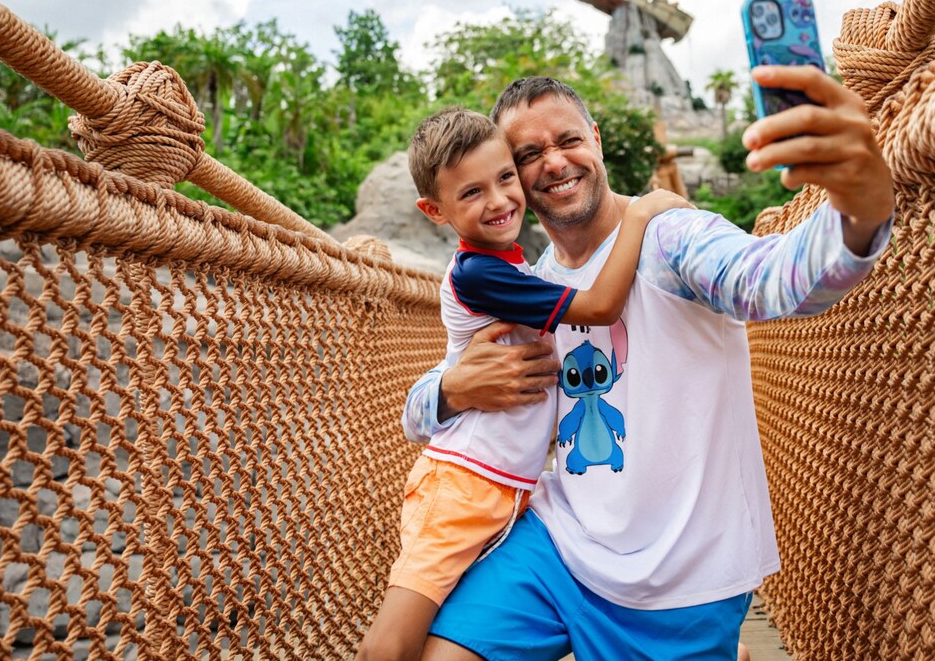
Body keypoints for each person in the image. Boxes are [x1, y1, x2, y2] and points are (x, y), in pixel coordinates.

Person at [400, 66, 895, 661]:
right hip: (559, 545)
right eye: (529, 154)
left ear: (597, 140)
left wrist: (860, 208)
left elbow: (771, 282)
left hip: (685, 574)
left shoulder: (671, 237)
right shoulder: (533, 287)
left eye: (568, 141)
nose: (554, 163)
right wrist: (453, 388)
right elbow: (418, 410)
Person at [356, 108, 691, 661]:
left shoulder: (520, 269)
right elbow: (601, 306)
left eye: (506, 178)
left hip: (510, 492)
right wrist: (641, 213)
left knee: (452, 630)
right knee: (392, 644)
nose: (498, 201)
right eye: (472, 193)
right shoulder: (479, 273)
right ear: (434, 211)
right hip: (463, 484)